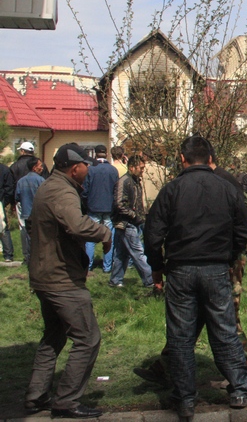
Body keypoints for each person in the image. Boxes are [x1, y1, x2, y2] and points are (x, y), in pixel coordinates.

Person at [144, 136, 247, 419]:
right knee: (224, 330)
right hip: (216, 267)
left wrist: (156, 267)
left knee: (181, 336)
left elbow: (152, 234)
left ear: (182, 159)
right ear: (210, 158)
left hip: (181, 268)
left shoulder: (172, 190)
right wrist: (228, 256)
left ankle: (185, 398)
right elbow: (243, 230)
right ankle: (240, 389)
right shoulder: (227, 188)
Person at [25, 143, 112, 419]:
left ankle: (37, 395)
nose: (89, 169)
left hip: (45, 274)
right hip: (61, 279)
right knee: (88, 338)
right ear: (75, 168)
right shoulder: (62, 191)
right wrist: (105, 233)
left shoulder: (49, 186)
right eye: (86, 165)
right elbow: (76, 224)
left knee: (54, 336)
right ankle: (66, 401)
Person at [109, 155, 153, 288]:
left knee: (122, 253)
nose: (143, 171)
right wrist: (134, 216)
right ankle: (150, 280)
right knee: (138, 252)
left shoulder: (135, 181)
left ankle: (115, 280)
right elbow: (119, 204)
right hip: (126, 223)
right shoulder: (124, 181)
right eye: (141, 168)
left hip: (131, 222)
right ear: (132, 167)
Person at [82, 144, 119, 272]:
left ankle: (88, 265)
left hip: (93, 207)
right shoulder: (113, 170)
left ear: (95, 154)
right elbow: (116, 190)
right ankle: (107, 267)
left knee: (90, 238)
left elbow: (85, 190)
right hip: (109, 207)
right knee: (109, 237)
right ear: (106, 154)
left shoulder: (90, 170)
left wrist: (86, 203)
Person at [15, 158, 45, 265]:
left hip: (27, 214)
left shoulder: (21, 181)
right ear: (34, 167)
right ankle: (40, 259)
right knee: (41, 237)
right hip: (40, 214)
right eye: (40, 165)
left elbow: (17, 197)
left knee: (29, 237)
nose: (42, 168)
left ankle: (29, 259)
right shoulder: (41, 181)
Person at [0, 160, 15, 261]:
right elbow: (9, 188)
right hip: (1, 201)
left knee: (3, 226)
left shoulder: (4, 170)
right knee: (3, 227)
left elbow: (9, 188)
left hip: (1, 201)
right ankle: (8, 254)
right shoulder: (4, 169)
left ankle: (8, 253)